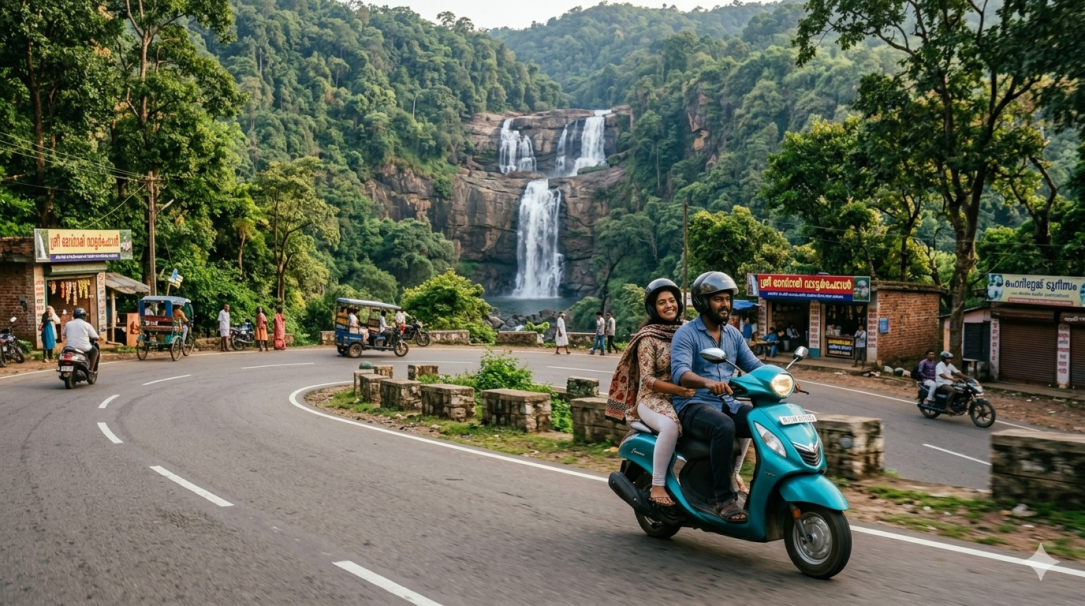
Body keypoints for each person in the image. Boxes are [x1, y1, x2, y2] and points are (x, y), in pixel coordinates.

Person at [671, 271, 763, 523]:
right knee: (724, 427)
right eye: (718, 299)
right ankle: (724, 499)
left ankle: (760, 491)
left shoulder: (733, 334)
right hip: (693, 404)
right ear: (702, 302)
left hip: (727, 404)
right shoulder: (687, 334)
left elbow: (754, 366)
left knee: (763, 421)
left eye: (727, 299)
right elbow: (680, 373)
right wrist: (708, 383)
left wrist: (783, 377)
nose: (725, 304)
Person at [605, 279, 695, 506]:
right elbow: (648, 379)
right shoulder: (648, 337)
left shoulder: (688, 329)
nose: (669, 306)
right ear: (653, 308)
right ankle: (657, 485)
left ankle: (731, 477)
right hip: (652, 399)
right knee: (670, 426)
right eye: (662, 302)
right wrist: (679, 389)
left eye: (672, 300)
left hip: (684, 395)